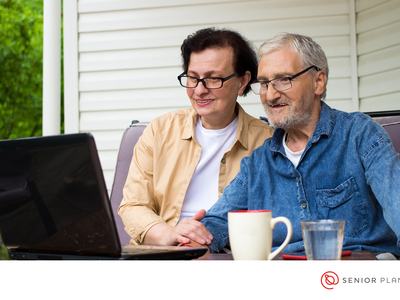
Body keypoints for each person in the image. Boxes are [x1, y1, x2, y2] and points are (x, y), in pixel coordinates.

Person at [201, 33, 400, 255]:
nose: (270, 95)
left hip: (353, 274)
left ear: (318, 82)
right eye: (265, 83)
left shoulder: (360, 135)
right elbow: (214, 226)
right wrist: (196, 235)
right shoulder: (258, 164)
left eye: (284, 79)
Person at [118, 28, 273, 246]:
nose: (199, 90)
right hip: (161, 251)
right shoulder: (159, 131)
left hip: (226, 253)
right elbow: (133, 205)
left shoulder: (268, 142)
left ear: (243, 81)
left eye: (213, 79)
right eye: (192, 78)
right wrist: (168, 234)